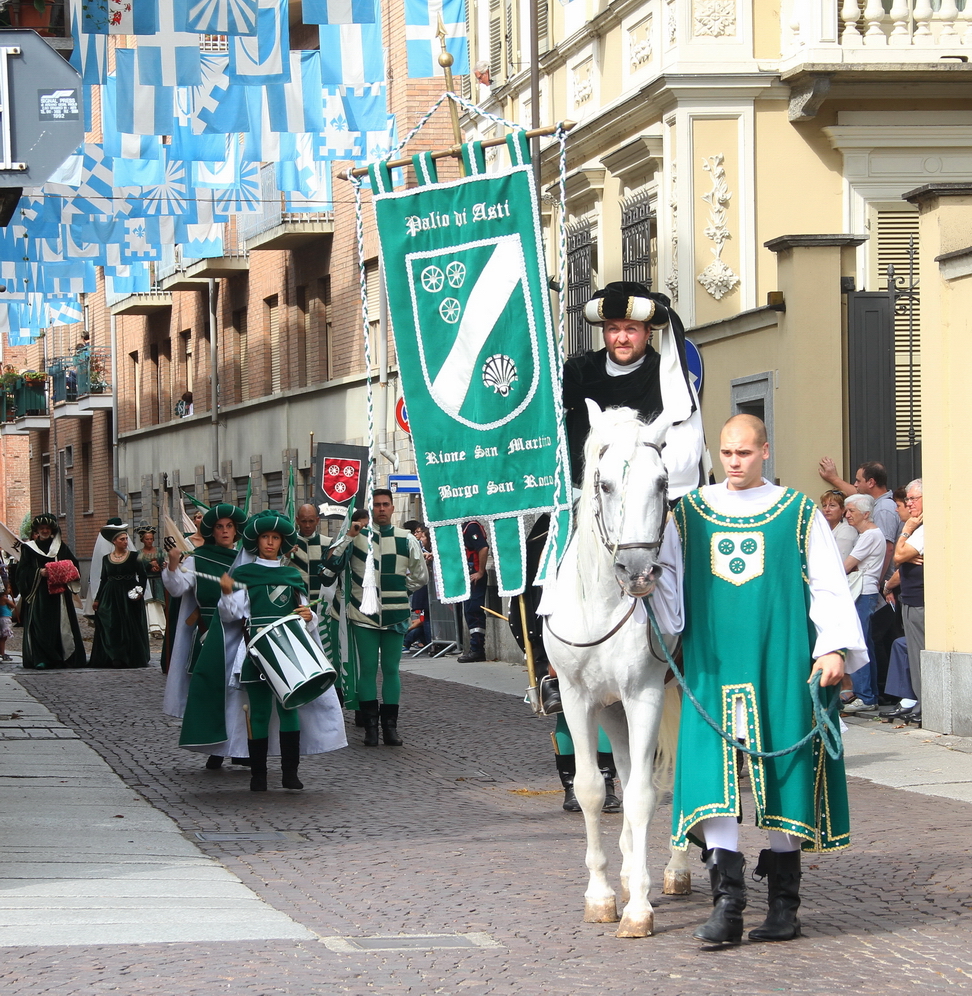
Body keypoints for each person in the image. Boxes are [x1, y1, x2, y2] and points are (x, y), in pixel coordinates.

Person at [651, 414, 867, 945]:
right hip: (712, 665)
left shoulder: (797, 512)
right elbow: (671, 581)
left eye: (744, 453)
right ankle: (728, 903)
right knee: (713, 782)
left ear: (764, 452)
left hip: (781, 660)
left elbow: (828, 583)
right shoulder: (691, 514)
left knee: (784, 776)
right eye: (726, 452)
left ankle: (783, 907)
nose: (733, 461)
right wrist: (658, 615)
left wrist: (834, 646)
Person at [532, 282, 708, 814]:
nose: (621, 338)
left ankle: (691, 652)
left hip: (652, 497)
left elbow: (684, 438)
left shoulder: (666, 373)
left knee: (690, 561)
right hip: (589, 496)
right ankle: (548, 663)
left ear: (645, 332)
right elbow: (560, 430)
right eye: (613, 329)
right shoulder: (578, 371)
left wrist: (653, 482)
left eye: (630, 329)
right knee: (542, 550)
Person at [219, 511, 347, 791]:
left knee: (290, 709)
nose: (270, 542)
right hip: (257, 650)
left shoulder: (291, 575)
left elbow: (306, 616)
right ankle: (259, 775)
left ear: (281, 542)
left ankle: (290, 773)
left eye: (275, 537)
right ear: (257, 540)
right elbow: (231, 616)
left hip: (290, 652)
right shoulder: (243, 574)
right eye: (265, 536)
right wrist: (227, 593)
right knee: (259, 713)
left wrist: (308, 616)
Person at [330, 489, 428, 746]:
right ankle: (370, 729)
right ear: (371, 509)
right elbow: (330, 566)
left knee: (391, 669)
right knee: (368, 669)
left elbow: (421, 576)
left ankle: (390, 729)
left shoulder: (406, 538)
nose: (381, 509)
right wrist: (349, 535)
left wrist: (399, 589)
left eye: (386, 504)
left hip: (396, 614)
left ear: (393, 508)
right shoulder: (356, 537)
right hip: (363, 615)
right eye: (377, 505)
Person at [162, 502, 249, 769]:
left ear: (236, 531)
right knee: (215, 693)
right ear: (212, 530)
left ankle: (240, 749)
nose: (224, 531)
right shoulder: (198, 558)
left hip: (242, 635)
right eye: (220, 527)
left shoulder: (246, 559)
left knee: (240, 695)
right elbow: (177, 588)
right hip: (210, 634)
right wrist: (175, 565)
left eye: (229, 527)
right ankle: (216, 748)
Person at [13, 512, 86, 669]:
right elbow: (22, 572)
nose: (45, 531)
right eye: (42, 528)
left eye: (47, 528)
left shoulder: (61, 547)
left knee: (60, 625)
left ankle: (62, 657)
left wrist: (60, 570)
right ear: (37, 531)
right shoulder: (29, 549)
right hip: (39, 594)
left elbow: (73, 566)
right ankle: (41, 658)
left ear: (52, 530)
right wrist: (39, 572)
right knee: (40, 626)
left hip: (59, 594)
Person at [882, 479, 924, 725]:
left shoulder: (920, 528)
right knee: (912, 651)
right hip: (910, 599)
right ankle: (915, 700)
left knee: (918, 653)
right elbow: (902, 559)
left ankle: (922, 702)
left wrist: (907, 529)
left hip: (919, 599)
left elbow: (898, 556)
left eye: (913, 499)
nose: (909, 504)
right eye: (907, 500)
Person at [840, 494, 886, 713]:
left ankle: (865, 696)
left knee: (857, 643)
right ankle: (869, 695)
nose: (847, 515)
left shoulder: (869, 535)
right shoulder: (869, 535)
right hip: (866, 592)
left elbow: (846, 566)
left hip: (863, 592)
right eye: (847, 511)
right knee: (865, 643)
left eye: (852, 511)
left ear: (866, 514)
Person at [818, 458, 900, 580]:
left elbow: (887, 548)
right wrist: (833, 479)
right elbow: (856, 494)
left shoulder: (883, 508)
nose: (855, 485)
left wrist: (880, 581)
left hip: (882, 580)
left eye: (858, 480)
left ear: (871, 482)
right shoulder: (874, 503)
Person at [89, 523, 151, 669]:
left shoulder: (135, 556)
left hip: (129, 594)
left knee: (129, 626)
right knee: (111, 625)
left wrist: (139, 592)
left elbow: (142, 576)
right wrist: (97, 599)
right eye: (122, 539)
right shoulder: (106, 559)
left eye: (126, 539)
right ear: (114, 541)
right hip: (110, 595)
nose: (125, 542)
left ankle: (128, 656)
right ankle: (112, 656)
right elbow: (104, 579)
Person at [458, 520, 489, 663]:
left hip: (474, 576)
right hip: (469, 576)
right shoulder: (464, 527)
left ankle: (477, 649)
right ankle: (475, 648)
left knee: (474, 611)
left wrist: (480, 572)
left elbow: (483, 548)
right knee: (469, 611)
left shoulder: (471, 527)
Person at [136, 524, 166, 639]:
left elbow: (163, 564)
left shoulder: (158, 550)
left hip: (157, 580)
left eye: (151, 539)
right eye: (147, 539)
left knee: (158, 604)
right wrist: (149, 565)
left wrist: (159, 567)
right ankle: (151, 627)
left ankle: (161, 627)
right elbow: (138, 567)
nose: (149, 541)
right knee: (149, 604)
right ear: (143, 540)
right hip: (147, 580)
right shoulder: (139, 553)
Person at [819, 490, 857, 560]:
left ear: (843, 509)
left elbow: (841, 560)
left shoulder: (847, 530)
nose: (827, 509)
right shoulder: (824, 527)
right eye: (824, 506)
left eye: (832, 506)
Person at [0, 581, 14, 660]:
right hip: (5, 619)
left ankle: (1, 652)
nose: (9, 590)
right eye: (8, 588)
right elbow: (13, 605)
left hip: (1, 618)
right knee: (3, 637)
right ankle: (2, 653)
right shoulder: (4, 599)